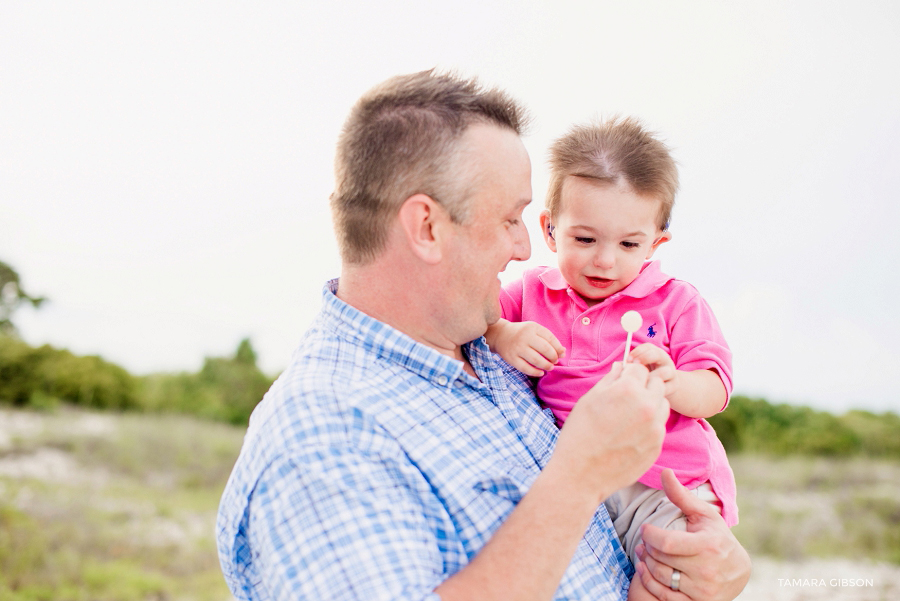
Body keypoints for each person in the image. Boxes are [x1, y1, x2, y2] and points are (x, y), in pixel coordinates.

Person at [216, 70, 751, 601]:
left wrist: (706, 571)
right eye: (510, 220)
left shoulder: (487, 350)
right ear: (426, 227)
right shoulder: (322, 437)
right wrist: (579, 477)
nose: (524, 249)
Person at [484, 117, 737, 601]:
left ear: (656, 243)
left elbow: (715, 387)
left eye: (627, 245)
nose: (605, 260)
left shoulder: (676, 302)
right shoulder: (532, 293)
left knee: (666, 586)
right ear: (551, 230)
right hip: (581, 481)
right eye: (585, 240)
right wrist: (503, 332)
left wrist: (673, 383)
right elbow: (478, 323)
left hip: (666, 486)